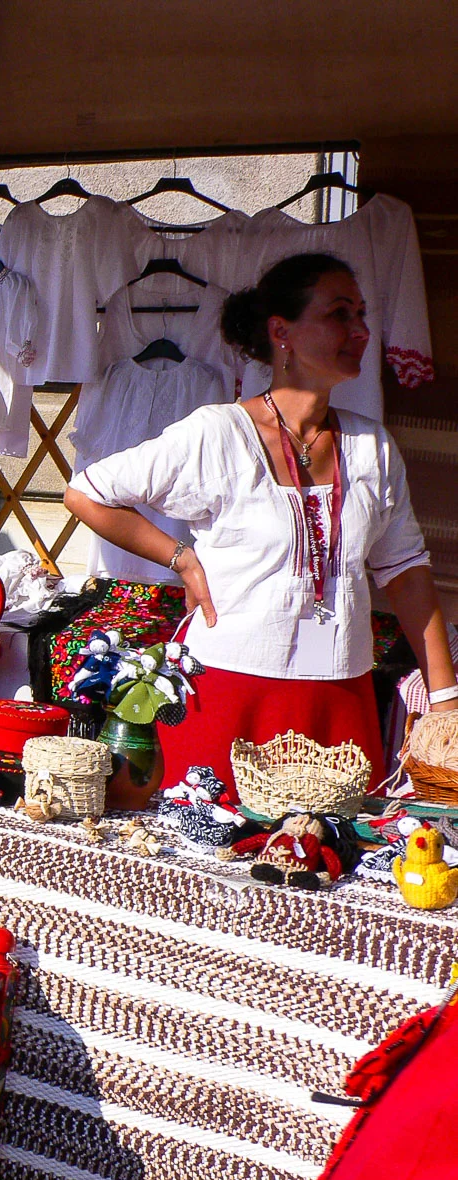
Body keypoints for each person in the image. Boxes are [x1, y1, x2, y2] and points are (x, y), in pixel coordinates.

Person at [63, 252, 458, 798]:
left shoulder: (372, 447)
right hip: (230, 690)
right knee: (213, 842)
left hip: (338, 699)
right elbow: (86, 492)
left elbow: (407, 571)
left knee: (328, 847)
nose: (361, 331)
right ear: (281, 332)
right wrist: (181, 559)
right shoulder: (219, 434)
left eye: (362, 314)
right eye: (339, 314)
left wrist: (445, 699)